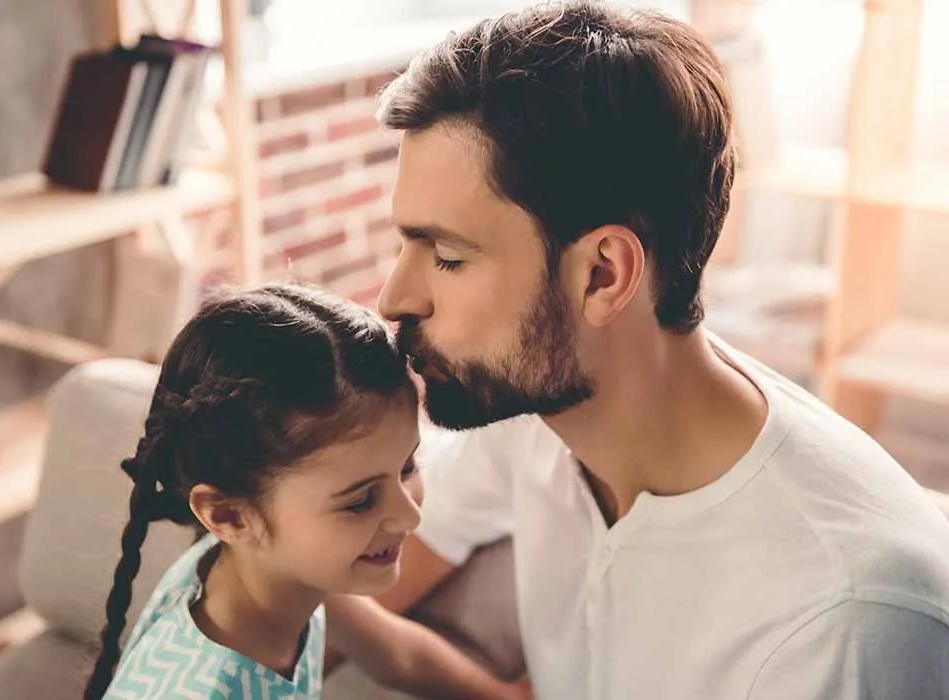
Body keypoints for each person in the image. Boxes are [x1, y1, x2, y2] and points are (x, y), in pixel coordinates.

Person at [328, 3, 949, 698]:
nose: (393, 298)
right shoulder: (537, 412)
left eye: (447, 256)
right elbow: (347, 575)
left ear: (603, 275)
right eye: (405, 244)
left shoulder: (842, 621)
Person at [83, 284, 530, 699]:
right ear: (229, 516)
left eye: (408, 467)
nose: (410, 516)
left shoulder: (276, 572)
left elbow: (399, 656)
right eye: (360, 501)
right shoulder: (208, 686)